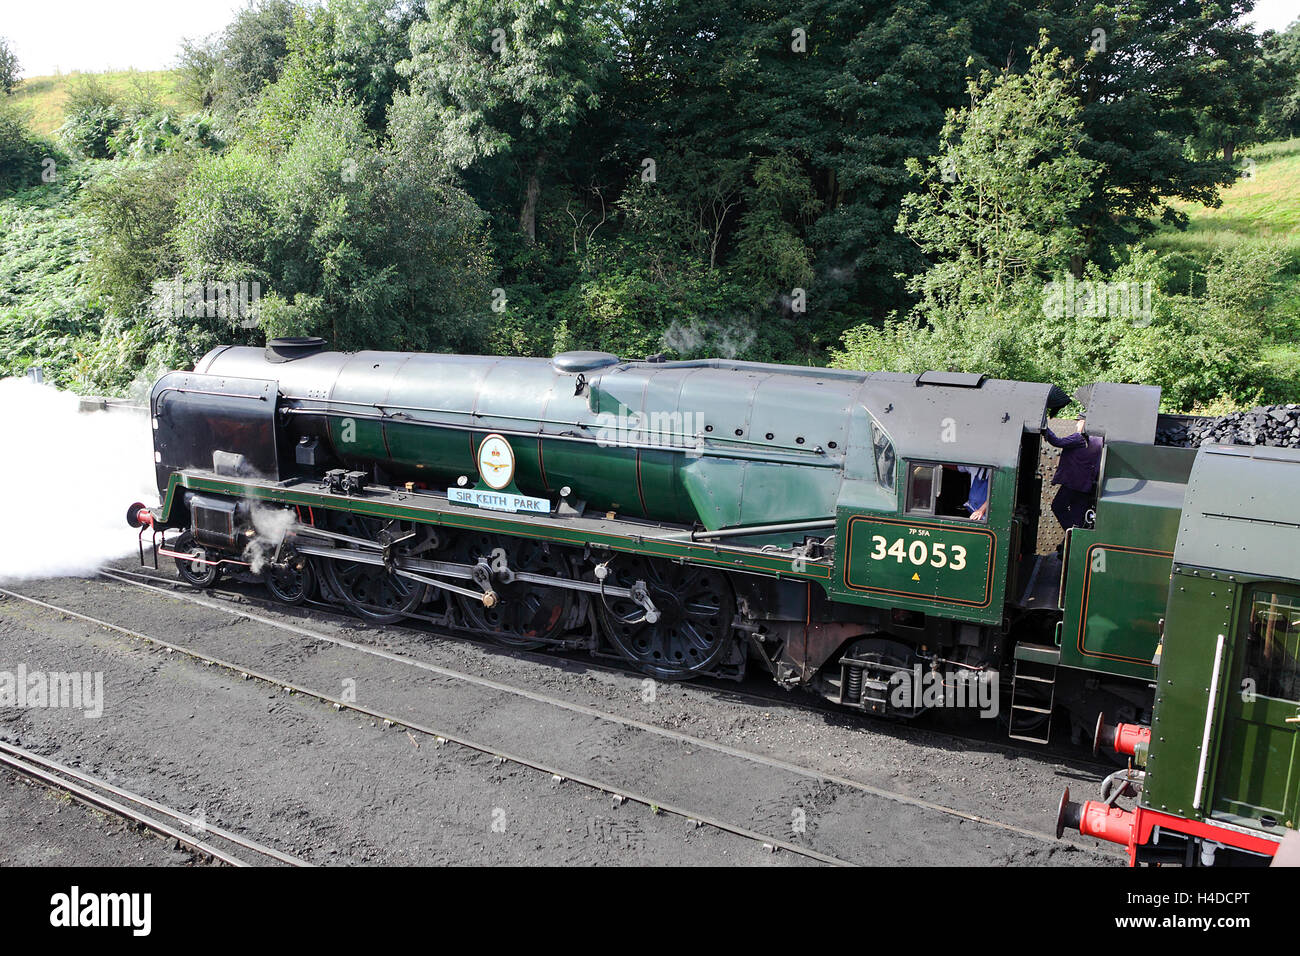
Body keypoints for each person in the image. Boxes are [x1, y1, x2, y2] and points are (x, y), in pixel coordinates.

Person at [1044, 416, 1103, 533]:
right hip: (1086, 487)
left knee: (1057, 506)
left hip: (1072, 483)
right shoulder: (1099, 441)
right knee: (1078, 518)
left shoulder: (1079, 438)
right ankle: (1071, 541)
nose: (1077, 425)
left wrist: (1045, 429)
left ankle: (1071, 534)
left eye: (1079, 422)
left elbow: (1057, 441)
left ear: (1086, 423)